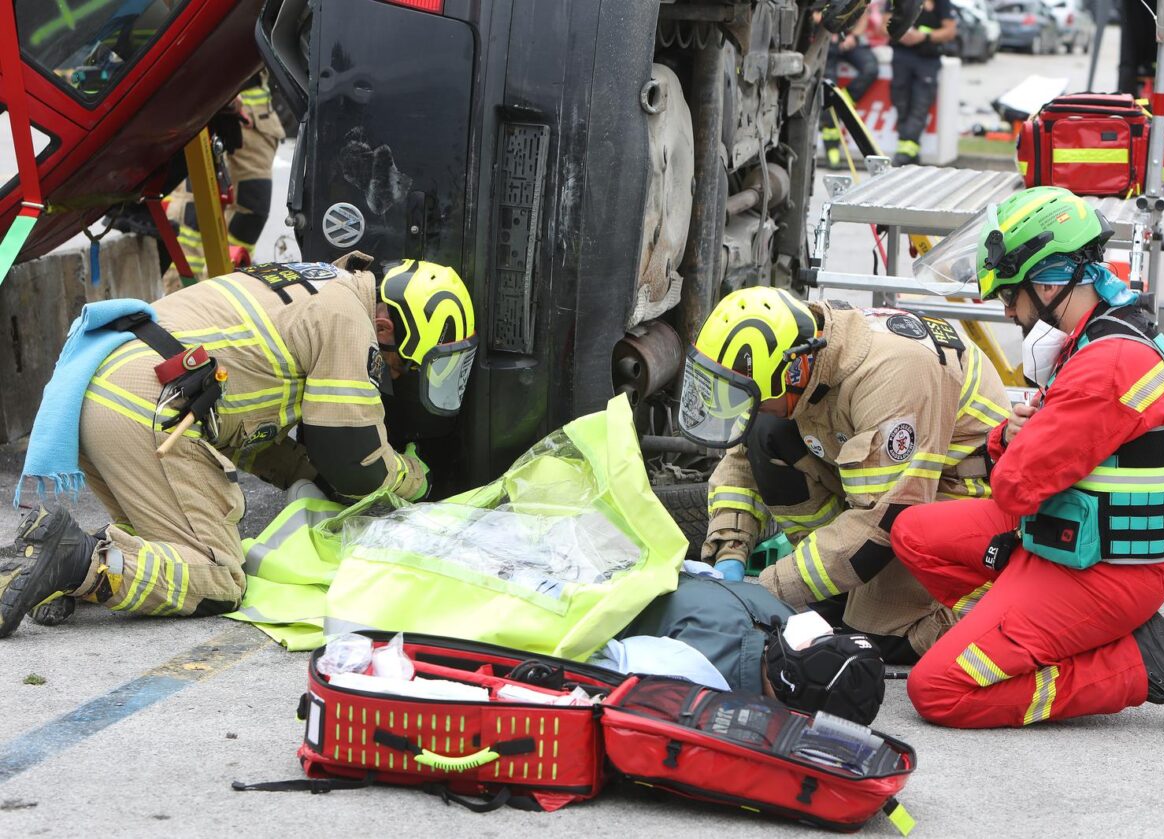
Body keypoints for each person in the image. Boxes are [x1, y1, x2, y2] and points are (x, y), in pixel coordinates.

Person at [0, 257, 477, 637]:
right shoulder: (348, 317)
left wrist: (302, 475)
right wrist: (416, 478)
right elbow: (356, 460)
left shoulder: (309, 283)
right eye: (398, 367)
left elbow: (244, 427)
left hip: (98, 392)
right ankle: (80, 560)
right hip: (155, 407)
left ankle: (41, 561)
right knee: (218, 578)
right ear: (389, 328)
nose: (391, 377)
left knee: (162, 544)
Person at [890, 186, 1164, 730]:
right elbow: (1019, 461)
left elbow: (1014, 487)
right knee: (913, 532)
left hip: (1103, 572)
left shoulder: (1103, 367)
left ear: (1047, 282)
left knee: (938, 690)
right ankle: (1012, 629)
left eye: (1011, 296)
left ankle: (1136, 664)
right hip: (1066, 535)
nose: (1009, 312)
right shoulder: (1101, 336)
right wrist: (1009, 438)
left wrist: (1012, 443)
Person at [678, 287, 1010, 664]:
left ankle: (984, 610)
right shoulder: (801, 350)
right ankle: (836, 587)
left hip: (953, 494)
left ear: (794, 371)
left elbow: (880, 521)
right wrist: (728, 555)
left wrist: (767, 590)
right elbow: (740, 460)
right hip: (888, 484)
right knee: (765, 433)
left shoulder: (894, 372)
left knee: (871, 636)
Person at [594, 569, 886, 724]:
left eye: (820, 641)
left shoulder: (695, 669)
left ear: (790, 679)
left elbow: (589, 665)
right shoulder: (784, 620)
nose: (814, 628)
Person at [163, 71, 287, 288]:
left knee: (251, 210)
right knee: (195, 211)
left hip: (255, 113)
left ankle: (224, 288)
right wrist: (222, 91)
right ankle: (181, 295)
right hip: (209, 99)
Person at [889, 0, 956, 166]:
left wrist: (924, 36)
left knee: (920, 104)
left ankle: (906, 149)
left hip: (927, 58)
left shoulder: (941, 3)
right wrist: (899, 33)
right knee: (901, 101)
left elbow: (950, 31)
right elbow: (884, 22)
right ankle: (909, 150)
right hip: (902, 55)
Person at [820, 6, 880, 169]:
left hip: (848, 40)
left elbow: (863, 15)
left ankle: (844, 100)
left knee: (871, 68)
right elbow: (813, 15)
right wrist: (827, 31)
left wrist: (853, 37)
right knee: (827, 92)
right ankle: (831, 151)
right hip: (824, 39)